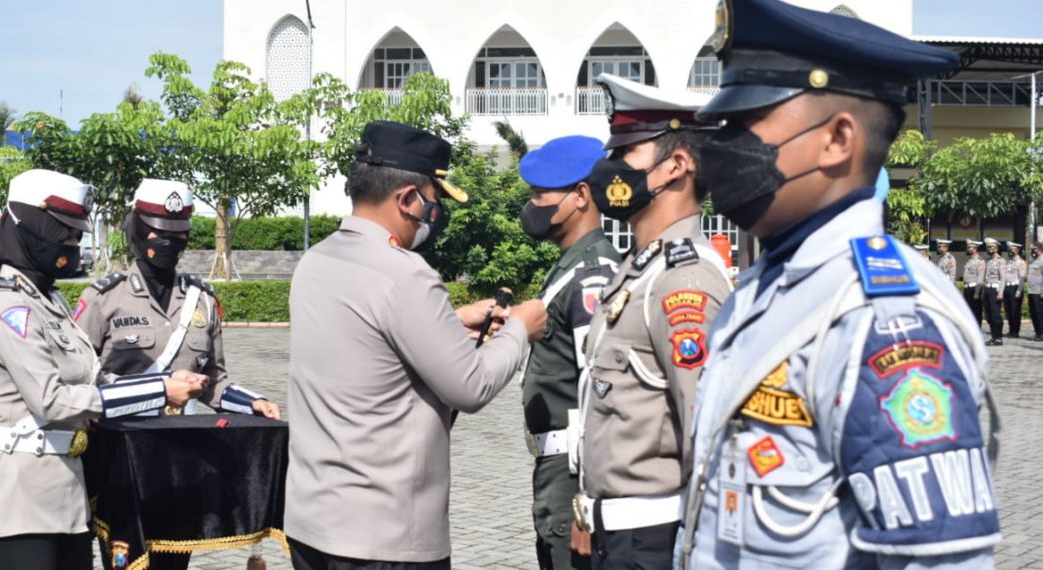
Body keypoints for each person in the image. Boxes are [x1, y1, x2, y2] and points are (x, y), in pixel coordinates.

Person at [678, 1, 1000, 567]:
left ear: (838, 139)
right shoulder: (764, 289)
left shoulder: (881, 320)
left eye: (745, 123)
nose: (720, 146)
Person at [285, 120, 548, 569]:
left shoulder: (316, 260)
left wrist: (448, 324)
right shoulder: (405, 273)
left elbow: (370, 344)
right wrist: (521, 327)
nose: (434, 215)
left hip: (313, 525)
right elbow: (471, 385)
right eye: (433, 201)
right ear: (407, 199)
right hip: (384, 537)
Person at [0, 169, 205, 570]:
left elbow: (94, 379)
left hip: (65, 497)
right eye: (66, 235)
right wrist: (160, 390)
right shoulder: (8, 307)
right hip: (16, 504)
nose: (73, 245)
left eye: (77, 235)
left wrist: (166, 387)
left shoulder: (48, 300)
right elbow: (52, 401)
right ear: (32, 230)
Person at [74, 179, 281, 570]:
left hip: (178, 463)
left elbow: (214, 382)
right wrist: (152, 392)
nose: (166, 242)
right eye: (156, 231)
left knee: (172, 564)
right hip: (122, 464)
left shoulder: (202, 300)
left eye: (177, 234)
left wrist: (252, 402)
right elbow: (80, 383)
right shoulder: (102, 299)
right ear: (137, 228)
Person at [573, 73, 732, 569]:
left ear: (675, 167)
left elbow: (706, 435)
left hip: (652, 542)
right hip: (616, 535)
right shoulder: (641, 267)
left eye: (624, 157)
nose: (609, 171)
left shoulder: (685, 282)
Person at [517, 135, 620, 570]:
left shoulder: (593, 275)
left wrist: (587, 500)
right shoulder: (571, 266)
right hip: (558, 468)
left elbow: (603, 393)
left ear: (581, 196)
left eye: (542, 194)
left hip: (574, 474)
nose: (533, 205)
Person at [981, 237, 1007, 346]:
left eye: (991, 247)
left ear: (996, 248)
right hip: (987, 289)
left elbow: (1003, 278)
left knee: (996, 315)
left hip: (995, 290)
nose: (989, 249)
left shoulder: (1001, 261)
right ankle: (993, 336)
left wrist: (1001, 292)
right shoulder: (988, 261)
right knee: (989, 315)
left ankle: (998, 338)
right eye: (988, 247)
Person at [1004, 241, 1027, 338]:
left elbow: (1022, 278)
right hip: (1007, 288)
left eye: (1012, 249)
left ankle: (1015, 331)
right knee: (1008, 310)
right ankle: (1011, 329)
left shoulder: (1021, 262)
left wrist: (1019, 290)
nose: (1010, 251)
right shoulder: (1008, 262)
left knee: (1015, 311)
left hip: (1015, 288)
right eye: (1009, 249)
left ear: (1017, 250)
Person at [963, 238, 986, 324]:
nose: (968, 249)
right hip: (967, 288)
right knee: (968, 311)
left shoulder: (980, 261)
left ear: (975, 248)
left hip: (974, 288)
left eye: (970, 247)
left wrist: (977, 292)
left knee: (976, 311)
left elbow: (980, 277)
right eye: (968, 247)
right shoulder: (969, 261)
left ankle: (977, 329)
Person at [1028, 242, 1043, 341]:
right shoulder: (1034, 261)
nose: (1034, 251)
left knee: (1040, 314)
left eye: (1035, 249)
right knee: (1033, 313)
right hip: (1031, 291)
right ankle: (1037, 332)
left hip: (1039, 291)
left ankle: (1042, 333)